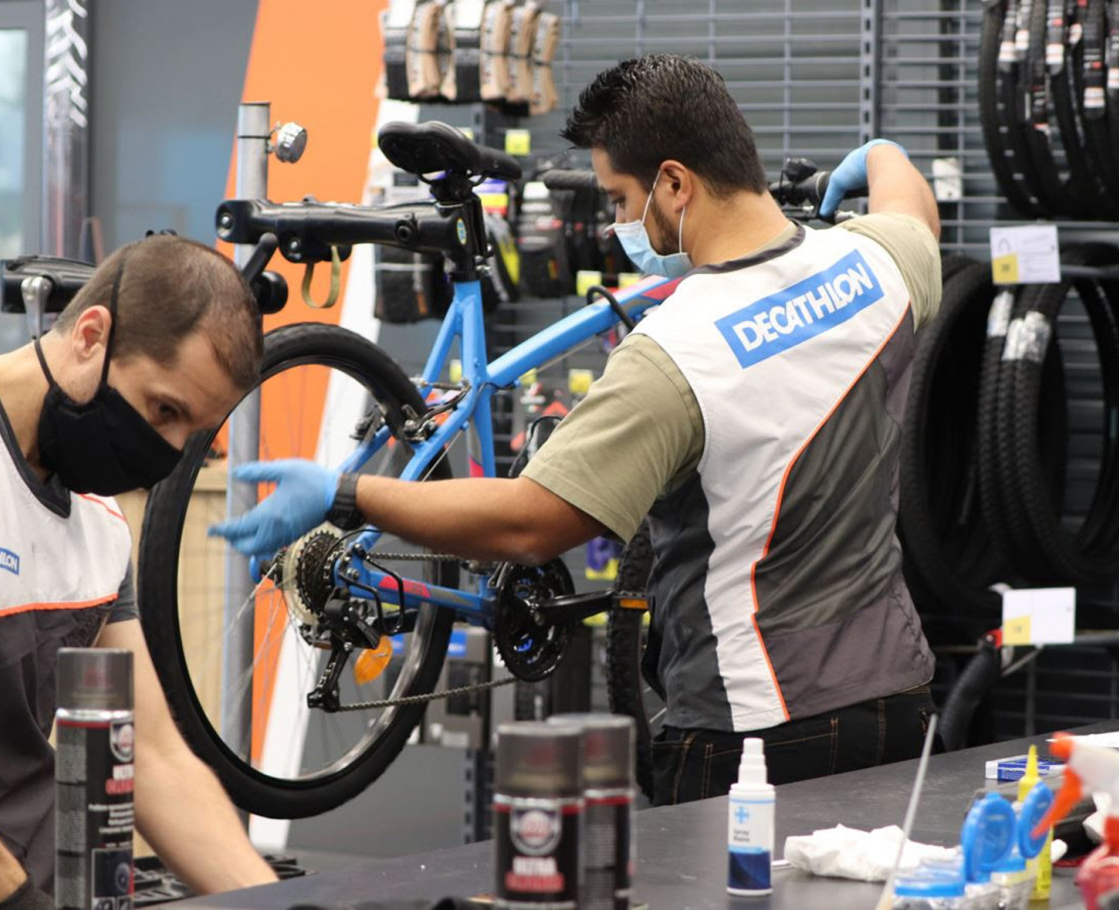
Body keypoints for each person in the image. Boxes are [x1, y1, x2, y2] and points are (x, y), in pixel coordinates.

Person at [212, 54, 944, 805]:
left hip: (757, 743)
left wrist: (346, 494)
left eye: (622, 200)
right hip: (903, 707)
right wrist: (882, 156)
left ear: (675, 184)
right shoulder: (880, 265)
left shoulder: (677, 353)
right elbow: (912, 206)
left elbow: (530, 523)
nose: (621, 224)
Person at [0, 235, 279, 907]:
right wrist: (6, 893)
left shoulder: (100, 524)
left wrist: (271, 902)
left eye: (189, 431)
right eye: (163, 409)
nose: (164, 451)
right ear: (90, 334)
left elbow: (157, 759)